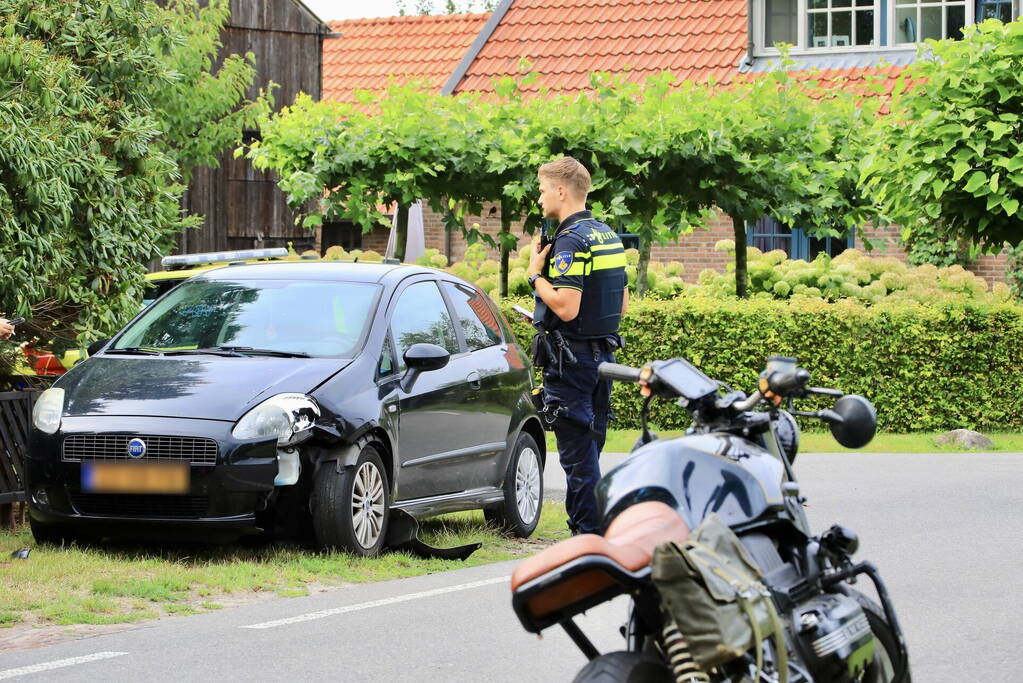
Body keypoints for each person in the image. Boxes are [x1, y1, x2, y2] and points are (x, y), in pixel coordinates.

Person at [526, 157, 628, 535]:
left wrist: (535, 275)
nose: (539, 198)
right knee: (591, 450)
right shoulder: (608, 235)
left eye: (542, 190)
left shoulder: (570, 240)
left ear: (561, 191)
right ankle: (597, 530)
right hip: (604, 358)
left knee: (578, 459)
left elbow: (567, 308)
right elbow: (621, 305)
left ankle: (588, 538)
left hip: (572, 362)